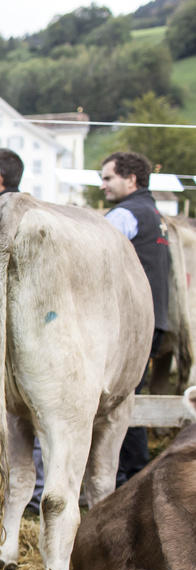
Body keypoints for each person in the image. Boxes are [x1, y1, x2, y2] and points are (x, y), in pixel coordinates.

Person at [101, 150, 172, 485]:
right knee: (130, 395)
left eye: (108, 178)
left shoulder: (124, 216)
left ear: (130, 179)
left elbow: (98, 265)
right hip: (154, 320)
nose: (103, 186)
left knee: (119, 401)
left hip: (129, 325)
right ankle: (134, 474)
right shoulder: (153, 214)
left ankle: (132, 476)